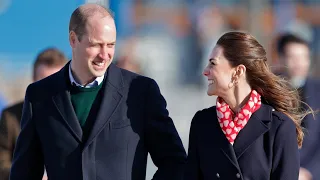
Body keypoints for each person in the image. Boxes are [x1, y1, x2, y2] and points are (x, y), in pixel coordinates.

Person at [10, 3, 186, 180]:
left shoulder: (141, 92)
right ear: (73, 39)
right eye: (96, 45)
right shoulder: (40, 96)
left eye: (111, 45)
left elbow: (174, 161)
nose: (104, 54)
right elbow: (24, 172)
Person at [184, 32, 312, 180]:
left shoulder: (279, 127)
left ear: (238, 72)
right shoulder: (203, 122)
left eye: (213, 63)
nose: (205, 71)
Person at [0, 48, 67, 180]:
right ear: (32, 80)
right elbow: (1, 164)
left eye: (54, 82)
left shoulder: (77, 116)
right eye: (42, 82)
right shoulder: (11, 117)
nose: (48, 89)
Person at [276, 33, 320, 180]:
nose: (299, 63)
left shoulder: (318, 91)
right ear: (281, 58)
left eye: (303, 57)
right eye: (293, 57)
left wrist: (309, 172)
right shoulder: (266, 90)